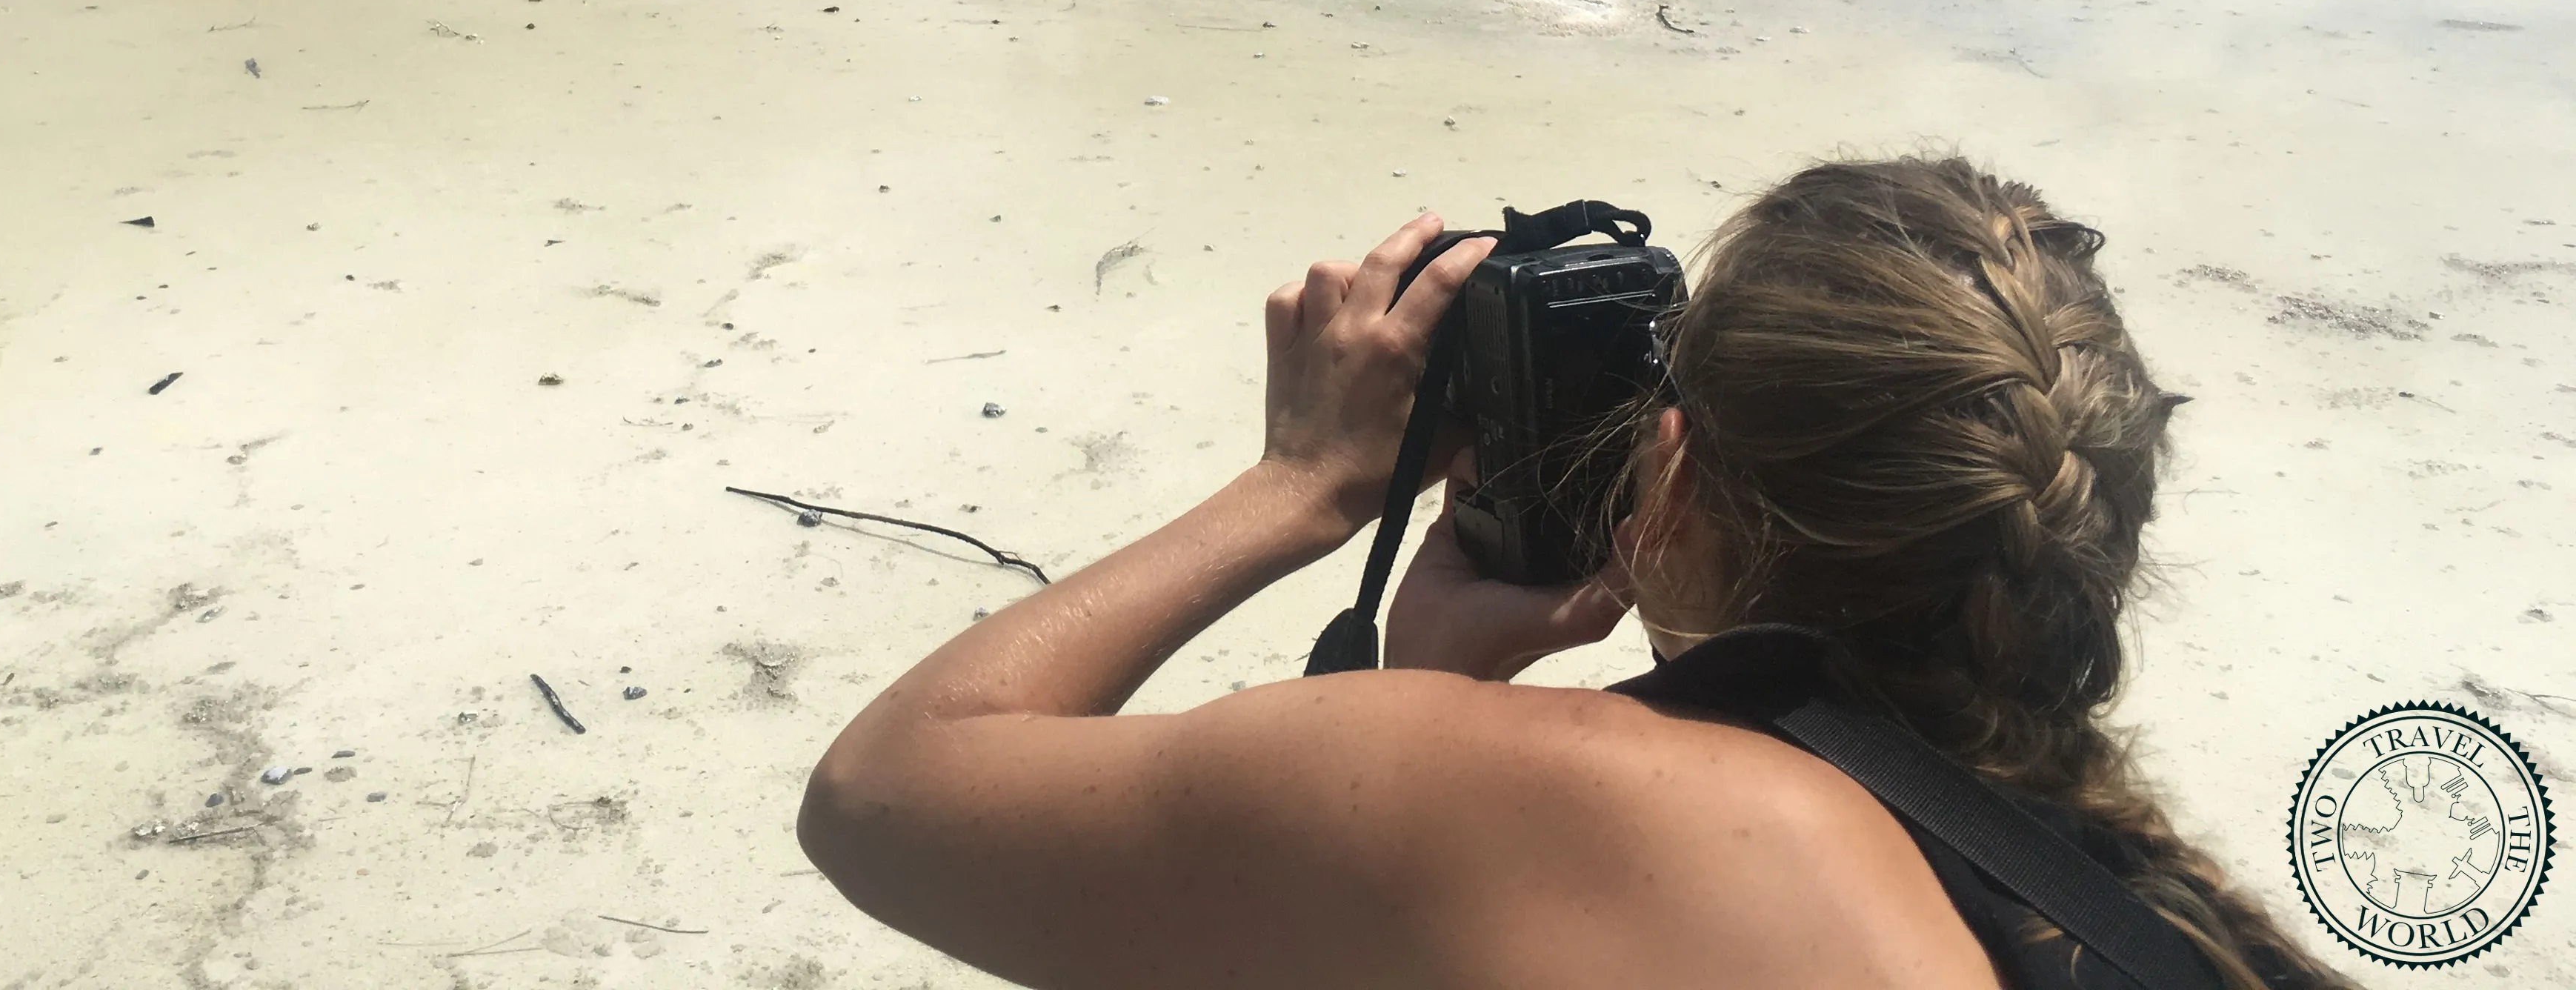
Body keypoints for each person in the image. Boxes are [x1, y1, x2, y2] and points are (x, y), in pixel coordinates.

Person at [800, 157, 2350, 989]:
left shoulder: (1596, 807)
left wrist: (1300, 489)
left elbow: (885, 799)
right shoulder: (2125, 887)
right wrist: (1430, 700)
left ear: (1668, 470)